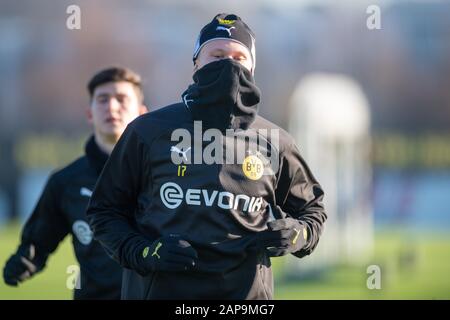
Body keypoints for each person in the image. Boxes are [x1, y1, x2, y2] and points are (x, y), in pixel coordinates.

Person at [86, 13, 327, 300]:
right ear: (196, 63)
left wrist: (296, 234)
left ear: (252, 67)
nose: (229, 64)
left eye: (239, 57)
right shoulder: (147, 132)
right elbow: (104, 211)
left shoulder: (276, 141)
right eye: (217, 54)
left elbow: (313, 211)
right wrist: (143, 252)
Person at [2, 67, 148, 299]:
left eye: (121, 99)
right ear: (89, 113)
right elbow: (39, 240)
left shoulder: (160, 175)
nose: (111, 107)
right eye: (102, 99)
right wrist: (25, 261)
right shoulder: (66, 181)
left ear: (141, 113)